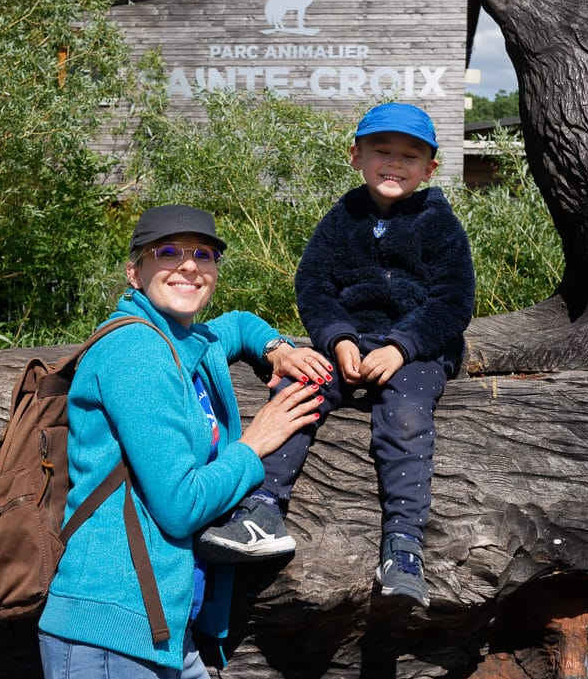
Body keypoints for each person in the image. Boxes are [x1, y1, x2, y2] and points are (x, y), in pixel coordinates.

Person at [198, 103, 476, 608]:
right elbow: (315, 287)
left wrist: (402, 347)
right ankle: (261, 510)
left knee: (407, 414)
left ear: (430, 168)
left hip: (416, 347)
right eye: (381, 152)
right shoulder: (342, 217)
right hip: (350, 339)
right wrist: (338, 338)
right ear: (356, 156)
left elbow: (454, 301)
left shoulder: (440, 224)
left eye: (409, 156)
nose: (394, 164)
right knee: (296, 390)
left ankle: (403, 545)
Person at [38, 203, 333, 679]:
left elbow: (237, 325)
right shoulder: (137, 351)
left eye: (205, 254)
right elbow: (179, 504)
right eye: (168, 251)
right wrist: (254, 444)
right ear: (135, 272)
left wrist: (278, 349)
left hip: (166, 634)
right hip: (109, 635)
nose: (190, 265)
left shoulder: (186, 342)